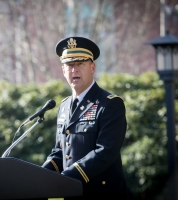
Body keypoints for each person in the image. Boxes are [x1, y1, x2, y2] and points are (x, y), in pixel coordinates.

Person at [42, 36, 128, 199]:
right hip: (72, 192)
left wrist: (65, 177)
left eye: (80, 64)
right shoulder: (64, 106)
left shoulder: (109, 104)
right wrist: (39, 176)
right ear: (63, 70)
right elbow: (60, 152)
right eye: (69, 65)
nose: (74, 70)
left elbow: (105, 153)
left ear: (92, 67)